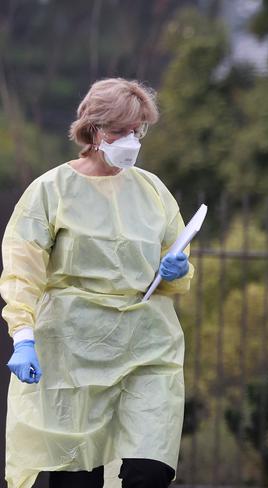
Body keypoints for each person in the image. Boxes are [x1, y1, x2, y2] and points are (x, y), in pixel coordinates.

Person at [1, 78, 193, 488]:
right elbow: (22, 269)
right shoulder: (51, 191)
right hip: (74, 351)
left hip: (147, 347)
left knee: (150, 469)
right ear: (93, 129)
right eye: (120, 130)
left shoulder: (153, 190)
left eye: (137, 131)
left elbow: (176, 253)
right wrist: (23, 336)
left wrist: (176, 268)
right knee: (77, 476)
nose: (130, 140)